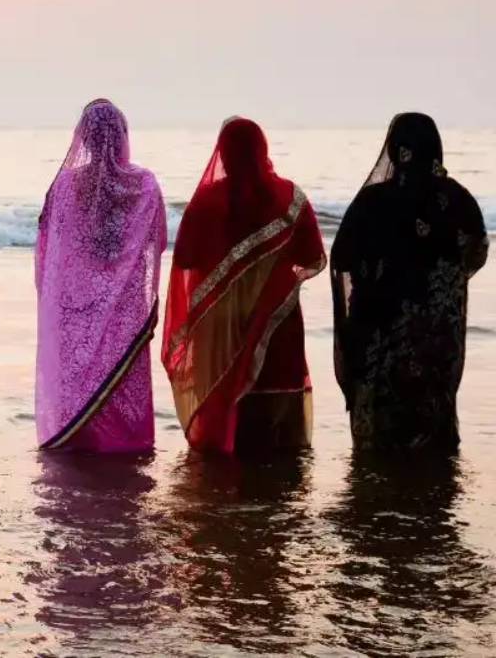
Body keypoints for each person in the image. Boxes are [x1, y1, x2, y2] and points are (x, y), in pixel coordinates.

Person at [161, 118, 325, 455]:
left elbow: (186, 258)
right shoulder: (291, 197)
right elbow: (312, 256)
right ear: (262, 148)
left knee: (225, 445)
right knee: (281, 450)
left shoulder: (206, 201)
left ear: (222, 152)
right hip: (277, 323)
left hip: (219, 330)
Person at [331, 113, 488, 453]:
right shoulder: (457, 199)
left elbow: (342, 260)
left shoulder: (370, 202)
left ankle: (381, 492)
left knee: (379, 447)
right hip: (436, 339)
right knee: (433, 438)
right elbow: (476, 254)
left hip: (379, 336)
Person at [34, 100, 168, 452]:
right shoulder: (145, 186)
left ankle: (75, 445)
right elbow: (159, 241)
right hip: (124, 314)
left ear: (84, 139)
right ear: (122, 136)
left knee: (76, 390)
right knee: (120, 391)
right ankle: (125, 449)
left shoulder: (64, 186)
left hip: (73, 310)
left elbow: (49, 249)